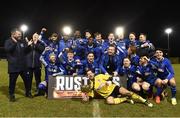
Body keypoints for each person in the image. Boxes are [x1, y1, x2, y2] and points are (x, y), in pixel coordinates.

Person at [81, 70, 153, 107]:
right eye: (88, 74)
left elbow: (110, 77)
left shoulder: (99, 76)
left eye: (91, 73)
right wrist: (86, 98)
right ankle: (126, 99)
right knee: (109, 102)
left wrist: (108, 82)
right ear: (87, 76)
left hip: (114, 87)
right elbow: (90, 96)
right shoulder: (89, 85)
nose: (90, 74)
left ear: (93, 73)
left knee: (128, 92)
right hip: (108, 95)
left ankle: (144, 101)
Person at [4, 28, 32, 102]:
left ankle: (28, 92)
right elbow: (7, 50)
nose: (20, 35)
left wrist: (29, 46)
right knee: (12, 82)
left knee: (27, 80)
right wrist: (14, 43)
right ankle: (12, 95)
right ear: (13, 34)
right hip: (14, 66)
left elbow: (26, 52)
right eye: (19, 34)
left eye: (21, 34)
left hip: (23, 66)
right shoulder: (8, 41)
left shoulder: (22, 41)